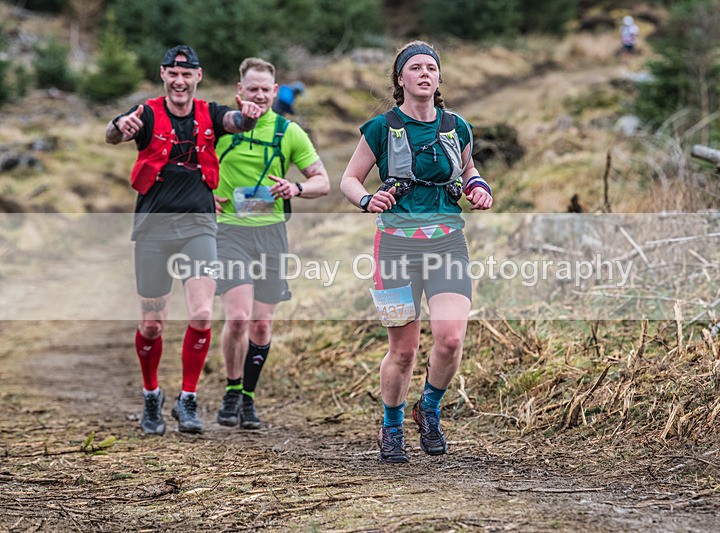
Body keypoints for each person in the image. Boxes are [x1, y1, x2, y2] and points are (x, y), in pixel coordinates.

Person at [340, 40, 492, 463]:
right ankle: (391, 427)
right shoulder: (381, 128)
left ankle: (429, 408)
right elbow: (350, 179)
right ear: (400, 78)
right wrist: (367, 200)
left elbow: (467, 169)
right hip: (394, 248)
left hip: (447, 243)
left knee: (450, 340)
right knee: (404, 350)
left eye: (431, 68)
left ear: (439, 78)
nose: (425, 74)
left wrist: (478, 185)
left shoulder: (456, 125)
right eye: (416, 68)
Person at [105, 45, 264, 436]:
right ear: (163, 75)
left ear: (198, 76)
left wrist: (248, 115)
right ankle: (151, 396)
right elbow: (113, 133)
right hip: (153, 230)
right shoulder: (145, 113)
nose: (179, 82)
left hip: (199, 228)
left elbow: (234, 121)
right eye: (172, 75)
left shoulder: (210, 113)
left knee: (202, 314)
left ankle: (187, 398)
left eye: (186, 75)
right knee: (153, 323)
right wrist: (118, 129)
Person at [214, 58, 330, 430]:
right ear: (239, 92)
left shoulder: (288, 132)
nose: (260, 95)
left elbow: (322, 181)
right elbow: (191, 168)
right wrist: (204, 196)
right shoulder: (222, 127)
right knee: (238, 317)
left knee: (261, 326)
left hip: (271, 233)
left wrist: (295, 187)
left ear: (275, 91)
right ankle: (232, 389)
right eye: (253, 89)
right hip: (229, 230)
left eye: (266, 89)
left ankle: (248, 396)